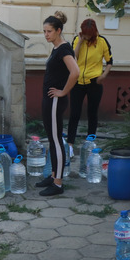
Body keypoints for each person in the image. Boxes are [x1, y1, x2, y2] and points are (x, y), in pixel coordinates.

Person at [36, 12, 79, 196]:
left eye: (49, 31)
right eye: (44, 31)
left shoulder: (63, 49)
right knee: (52, 140)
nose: (46, 34)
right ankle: (53, 175)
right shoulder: (56, 48)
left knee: (56, 141)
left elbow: (75, 72)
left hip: (55, 101)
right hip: (49, 100)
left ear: (58, 31)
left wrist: (63, 92)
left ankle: (58, 183)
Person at [67, 19, 113, 146]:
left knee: (92, 113)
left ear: (93, 32)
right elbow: (72, 59)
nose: (86, 36)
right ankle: (70, 143)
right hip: (77, 82)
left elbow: (109, 62)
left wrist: (103, 75)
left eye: (88, 34)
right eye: (84, 33)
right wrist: (80, 42)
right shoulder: (77, 40)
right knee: (74, 113)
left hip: (94, 82)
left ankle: (90, 141)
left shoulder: (102, 41)